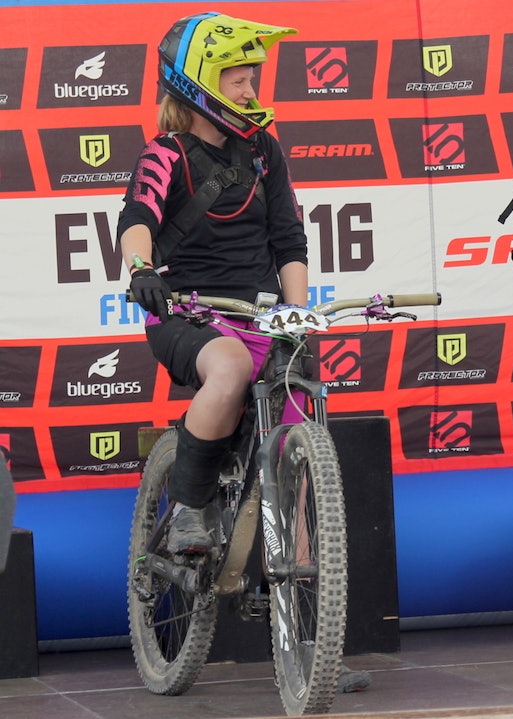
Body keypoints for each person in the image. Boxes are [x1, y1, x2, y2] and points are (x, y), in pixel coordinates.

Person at [118, 12, 308, 557]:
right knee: (229, 366)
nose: (252, 90)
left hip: (258, 312)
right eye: (239, 79)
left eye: (253, 77)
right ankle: (186, 508)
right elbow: (136, 221)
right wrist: (142, 270)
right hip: (184, 312)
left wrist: (294, 318)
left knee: (299, 388)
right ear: (199, 81)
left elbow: (290, 244)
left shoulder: (263, 151)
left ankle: (297, 563)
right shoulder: (166, 153)